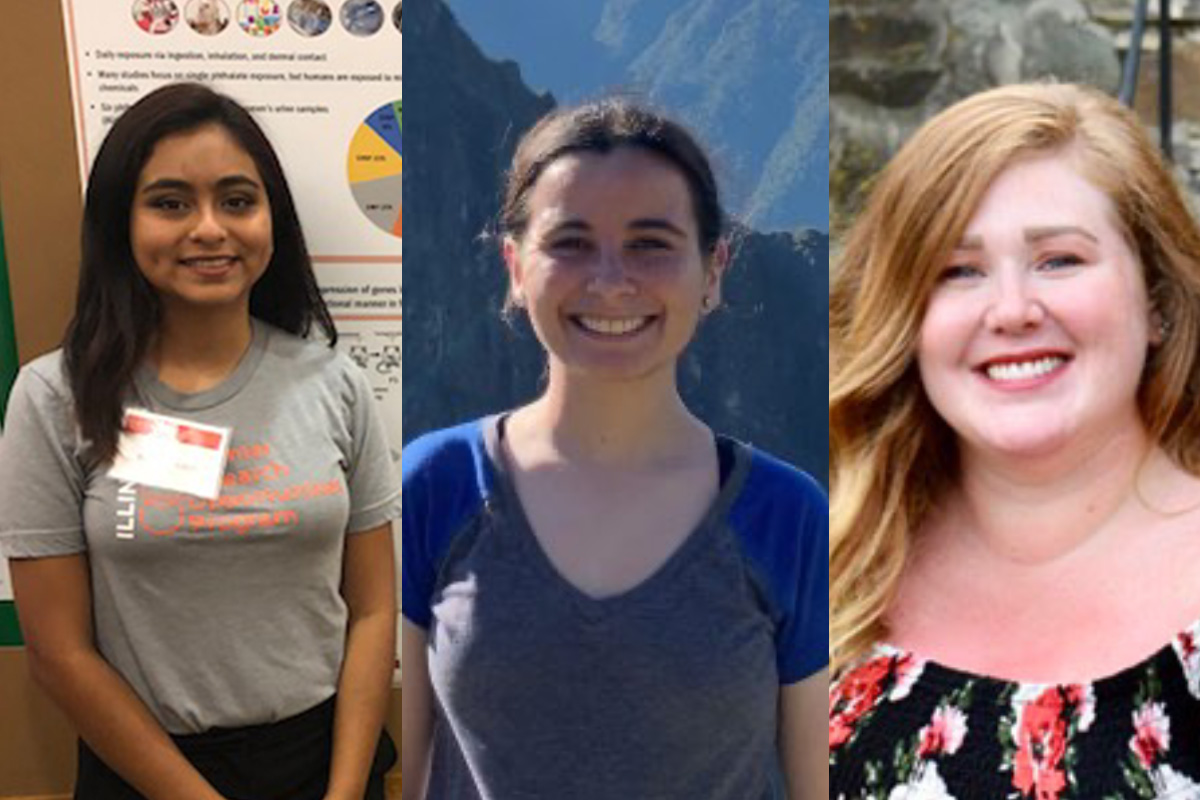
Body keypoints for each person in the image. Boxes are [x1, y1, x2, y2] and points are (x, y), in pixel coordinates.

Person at [400, 99, 829, 799]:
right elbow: (403, 770)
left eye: (650, 243)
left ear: (713, 268)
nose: (608, 280)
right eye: (569, 242)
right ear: (514, 265)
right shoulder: (439, 485)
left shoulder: (783, 514)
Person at [0, 83, 398, 800]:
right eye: (171, 202)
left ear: (272, 220)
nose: (210, 228)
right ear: (123, 222)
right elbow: (59, 655)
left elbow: (371, 611)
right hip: (149, 773)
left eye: (238, 201)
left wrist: (344, 794)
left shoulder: (334, 384)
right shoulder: (54, 397)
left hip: (326, 762)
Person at [829, 82, 1200, 796]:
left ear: (1154, 300)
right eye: (957, 271)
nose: (1011, 311)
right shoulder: (829, 576)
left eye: (1059, 259)